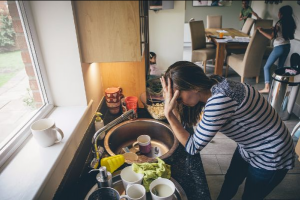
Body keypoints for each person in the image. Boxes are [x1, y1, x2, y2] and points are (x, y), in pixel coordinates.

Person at [160, 61, 294, 200]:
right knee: (231, 180)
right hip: (249, 146)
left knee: (250, 196)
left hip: (272, 153)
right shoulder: (215, 82)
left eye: (178, 98)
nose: (178, 102)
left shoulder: (219, 101)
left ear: (194, 87)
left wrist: (169, 114)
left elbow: (192, 147)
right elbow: (183, 126)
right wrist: (173, 105)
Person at [258, 5, 296, 93]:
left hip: (279, 47)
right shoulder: (291, 23)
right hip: (287, 46)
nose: (278, 14)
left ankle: (267, 88)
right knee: (280, 67)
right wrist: (274, 29)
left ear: (282, 14)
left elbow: (271, 37)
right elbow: (285, 32)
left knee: (266, 67)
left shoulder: (279, 23)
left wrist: (261, 31)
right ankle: (279, 87)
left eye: (279, 12)